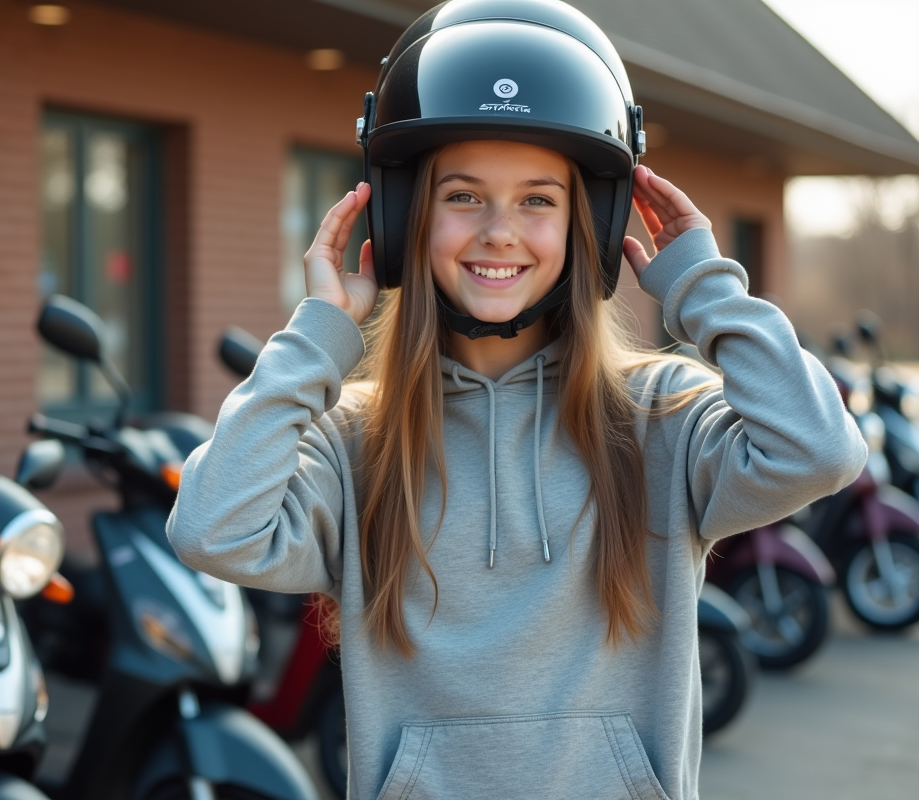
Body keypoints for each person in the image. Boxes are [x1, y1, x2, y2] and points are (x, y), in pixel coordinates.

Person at [168, 2, 866, 798]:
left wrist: (704, 290)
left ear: (591, 230)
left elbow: (822, 449)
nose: (500, 231)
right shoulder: (354, 440)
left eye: (539, 200)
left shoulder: (662, 418)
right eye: (462, 196)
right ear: (403, 221)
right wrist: (319, 336)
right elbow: (210, 532)